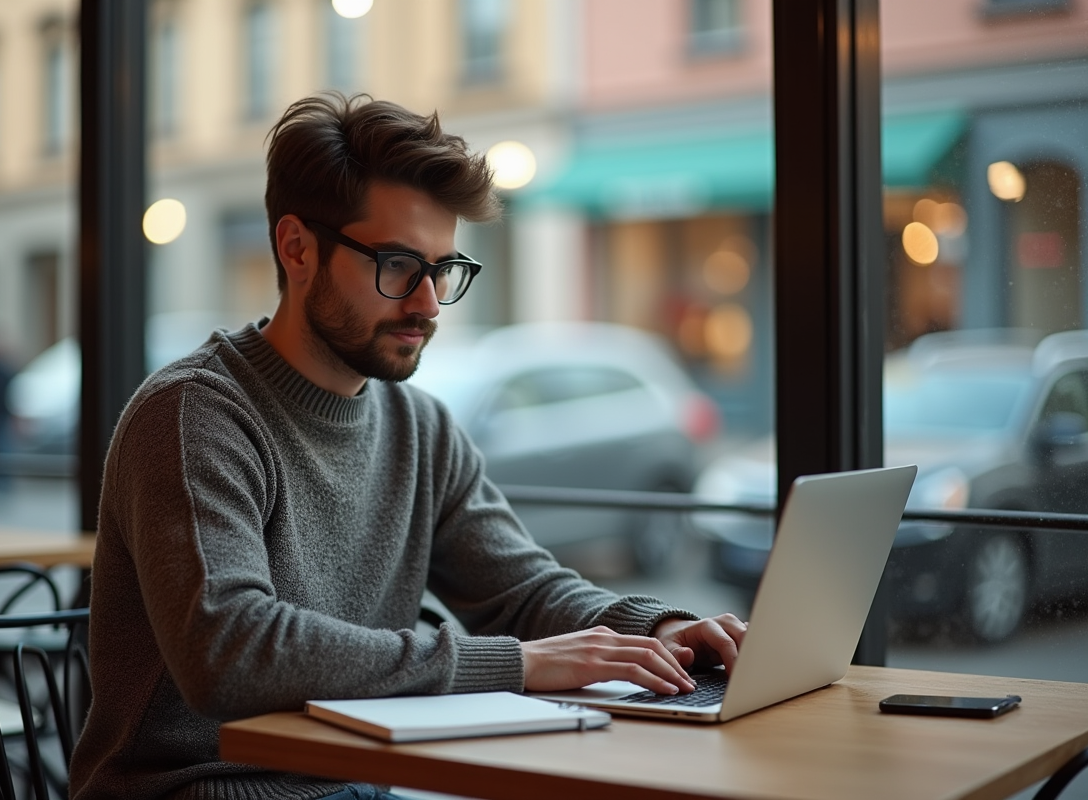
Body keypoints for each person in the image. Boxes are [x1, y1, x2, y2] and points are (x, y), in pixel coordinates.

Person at [69, 93, 746, 800]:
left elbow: (521, 592)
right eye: (397, 265)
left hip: (360, 780)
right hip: (198, 789)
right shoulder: (194, 415)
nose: (427, 303)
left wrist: (665, 627)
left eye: (442, 269)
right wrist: (516, 665)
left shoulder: (421, 427)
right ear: (297, 248)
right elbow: (230, 650)